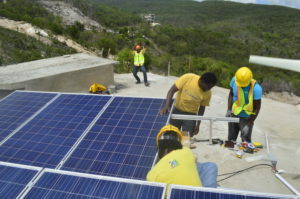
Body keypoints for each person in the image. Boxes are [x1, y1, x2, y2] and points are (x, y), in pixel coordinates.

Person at [147, 124, 218, 188]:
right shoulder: (186, 151)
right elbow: (194, 159)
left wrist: (172, 165)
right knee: (209, 165)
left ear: (161, 148)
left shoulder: (152, 175)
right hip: (198, 195)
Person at [159, 72, 217, 147]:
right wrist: (166, 106)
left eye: (211, 88)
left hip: (191, 115)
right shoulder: (188, 78)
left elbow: (202, 108)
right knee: (172, 135)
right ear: (201, 81)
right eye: (208, 87)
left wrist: (198, 124)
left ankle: (183, 154)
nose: (208, 89)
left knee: (185, 140)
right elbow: (171, 90)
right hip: (177, 111)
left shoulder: (208, 93)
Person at [226, 67, 262, 143]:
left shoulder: (256, 89)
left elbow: (257, 108)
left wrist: (249, 124)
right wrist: (229, 109)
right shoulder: (234, 80)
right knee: (231, 141)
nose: (241, 86)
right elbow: (231, 94)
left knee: (246, 142)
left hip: (247, 117)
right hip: (234, 113)